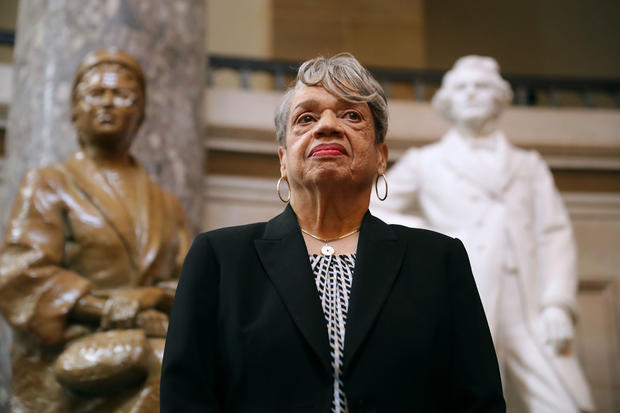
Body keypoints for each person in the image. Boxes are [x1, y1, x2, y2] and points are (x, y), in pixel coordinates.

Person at [161, 53, 505, 412]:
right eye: (306, 118)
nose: (327, 126)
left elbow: (478, 402)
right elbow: (186, 399)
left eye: (351, 115)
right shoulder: (219, 258)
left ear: (381, 156)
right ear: (283, 158)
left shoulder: (438, 261)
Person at [371, 55, 594, 412]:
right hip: (463, 289)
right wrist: (434, 236)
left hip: (526, 298)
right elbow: (372, 206)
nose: (472, 94)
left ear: (499, 98)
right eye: (462, 87)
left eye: (481, 86)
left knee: (565, 401)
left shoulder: (528, 165)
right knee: (467, 396)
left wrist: (558, 303)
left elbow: (554, 233)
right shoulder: (426, 161)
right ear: (447, 101)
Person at [0, 48, 190, 412]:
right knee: (169, 365)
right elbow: (20, 277)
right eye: (95, 94)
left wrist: (147, 299)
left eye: (121, 95)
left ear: (141, 111)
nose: (108, 104)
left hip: (148, 338)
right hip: (70, 348)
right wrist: (105, 308)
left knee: (195, 366)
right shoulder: (48, 184)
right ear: (74, 108)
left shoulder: (166, 204)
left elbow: (189, 282)